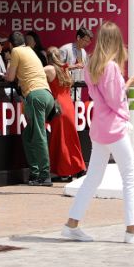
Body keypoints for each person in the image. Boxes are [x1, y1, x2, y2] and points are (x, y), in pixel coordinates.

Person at [61, 21, 134, 244]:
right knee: (129, 176)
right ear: (115, 40)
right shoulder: (111, 66)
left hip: (100, 126)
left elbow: (105, 96)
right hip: (114, 127)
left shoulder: (91, 64)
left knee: (93, 177)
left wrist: (126, 83)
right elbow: (115, 99)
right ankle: (132, 230)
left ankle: (72, 224)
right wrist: (125, 115)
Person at [3, 31, 58, 186]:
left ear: (11, 45)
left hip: (35, 95)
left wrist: (8, 64)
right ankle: (35, 173)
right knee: (28, 135)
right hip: (47, 96)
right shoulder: (29, 50)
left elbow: (10, 77)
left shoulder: (16, 51)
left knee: (39, 135)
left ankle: (44, 175)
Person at [44, 46, 86, 180]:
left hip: (58, 107)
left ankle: (64, 172)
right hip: (68, 105)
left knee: (60, 139)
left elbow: (34, 74)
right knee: (71, 138)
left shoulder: (49, 69)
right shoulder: (65, 69)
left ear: (47, 57)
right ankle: (77, 168)